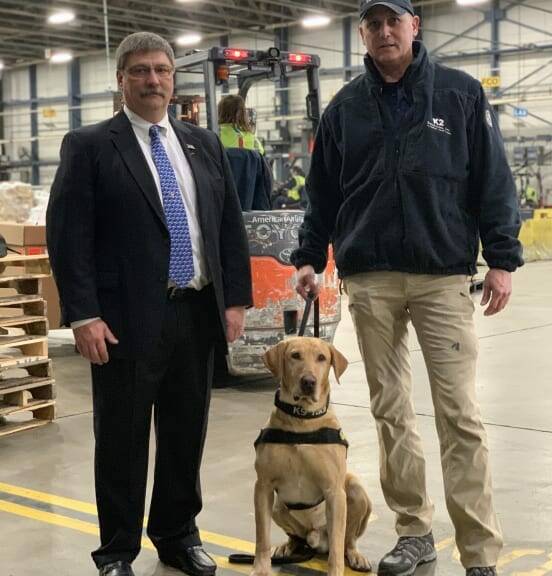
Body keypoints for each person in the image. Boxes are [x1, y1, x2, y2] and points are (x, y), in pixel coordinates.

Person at [290, 2, 523, 576]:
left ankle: (478, 553)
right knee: (389, 409)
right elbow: (322, 194)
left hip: (442, 276)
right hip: (369, 280)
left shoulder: (460, 95)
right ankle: (414, 531)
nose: (385, 32)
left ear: (414, 26)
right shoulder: (344, 108)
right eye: (373, 23)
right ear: (363, 33)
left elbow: (493, 179)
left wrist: (502, 258)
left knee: (459, 414)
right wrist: (307, 257)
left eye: (395, 20)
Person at [47, 32, 252, 576]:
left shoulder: (202, 144)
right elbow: (69, 238)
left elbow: (227, 226)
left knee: (186, 434)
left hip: (196, 310)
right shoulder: (90, 146)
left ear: (173, 77)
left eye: (161, 70)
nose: (153, 80)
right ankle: (116, 550)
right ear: (121, 80)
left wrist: (234, 301)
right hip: (123, 321)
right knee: (122, 439)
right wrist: (84, 314)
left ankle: (177, 535)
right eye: (140, 71)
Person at [218, 94, 271, 210]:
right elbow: (263, 168)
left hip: (221, 202)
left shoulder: (214, 136)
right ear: (241, 113)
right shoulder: (252, 139)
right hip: (249, 202)